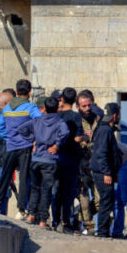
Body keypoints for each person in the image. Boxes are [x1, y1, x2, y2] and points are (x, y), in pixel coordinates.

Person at [0, 79, 41, 218]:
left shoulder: (7, 109)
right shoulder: (31, 108)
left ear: (16, 91)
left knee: (5, 176)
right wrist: (32, 138)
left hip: (11, 147)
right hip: (25, 148)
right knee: (23, 178)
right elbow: (40, 123)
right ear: (30, 92)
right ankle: (20, 210)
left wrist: (10, 138)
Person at [17, 97, 69, 228]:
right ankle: (42, 220)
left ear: (44, 108)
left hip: (36, 158)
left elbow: (21, 129)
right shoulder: (59, 122)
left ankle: (31, 215)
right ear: (57, 109)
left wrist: (32, 140)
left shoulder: (37, 120)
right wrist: (57, 145)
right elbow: (65, 133)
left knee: (35, 188)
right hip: (50, 159)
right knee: (46, 190)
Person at [53, 87, 84, 233]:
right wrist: (85, 137)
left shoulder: (56, 115)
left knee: (56, 191)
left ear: (62, 99)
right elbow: (77, 138)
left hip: (56, 156)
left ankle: (55, 221)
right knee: (68, 192)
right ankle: (66, 222)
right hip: (71, 158)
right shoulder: (76, 117)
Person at [90, 103, 123, 238]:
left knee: (107, 201)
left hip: (104, 172)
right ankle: (102, 231)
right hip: (102, 172)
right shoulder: (105, 131)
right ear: (114, 116)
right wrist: (107, 173)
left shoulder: (105, 129)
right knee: (105, 202)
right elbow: (101, 153)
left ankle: (103, 230)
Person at [76, 90, 102, 234]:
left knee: (100, 199)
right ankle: (89, 225)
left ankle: (79, 216)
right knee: (83, 196)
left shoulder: (98, 119)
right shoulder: (76, 121)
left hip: (96, 163)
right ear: (78, 107)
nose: (87, 109)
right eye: (84, 106)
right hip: (81, 163)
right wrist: (84, 139)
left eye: (88, 105)